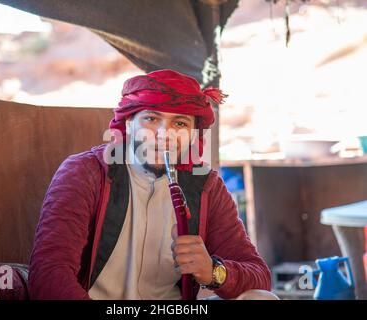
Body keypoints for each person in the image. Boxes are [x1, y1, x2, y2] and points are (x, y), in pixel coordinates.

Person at [28, 69, 276, 300]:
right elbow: (50, 273)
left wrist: (213, 271)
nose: (163, 134)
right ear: (128, 124)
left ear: (192, 134)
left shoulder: (206, 187)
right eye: (151, 119)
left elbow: (259, 275)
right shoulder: (86, 172)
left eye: (179, 124)